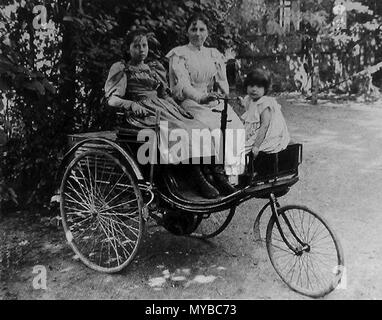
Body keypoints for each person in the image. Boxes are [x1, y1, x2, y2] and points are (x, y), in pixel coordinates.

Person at [104, 28, 221, 199]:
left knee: (197, 126)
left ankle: (207, 172)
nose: (142, 49)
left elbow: (164, 94)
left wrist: (178, 108)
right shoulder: (123, 69)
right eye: (136, 46)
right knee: (178, 130)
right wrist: (131, 104)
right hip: (142, 113)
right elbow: (112, 99)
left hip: (163, 107)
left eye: (144, 45)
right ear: (128, 48)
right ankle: (194, 176)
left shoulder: (153, 68)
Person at [166, 13, 246, 195]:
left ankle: (223, 173)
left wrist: (227, 96)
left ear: (207, 32)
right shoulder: (179, 54)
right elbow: (184, 85)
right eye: (193, 29)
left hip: (211, 99)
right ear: (187, 31)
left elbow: (223, 82)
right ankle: (202, 175)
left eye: (202, 29)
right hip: (189, 101)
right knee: (210, 126)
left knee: (235, 125)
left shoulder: (213, 54)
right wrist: (201, 98)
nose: (197, 33)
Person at [240, 69, 290, 158]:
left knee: (240, 149)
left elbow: (264, 125)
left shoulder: (264, 103)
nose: (254, 89)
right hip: (251, 131)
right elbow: (250, 112)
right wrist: (241, 103)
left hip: (262, 135)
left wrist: (256, 146)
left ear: (265, 89)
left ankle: (238, 167)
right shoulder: (249, 99)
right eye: (251, 86)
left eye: (259, 86)